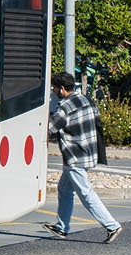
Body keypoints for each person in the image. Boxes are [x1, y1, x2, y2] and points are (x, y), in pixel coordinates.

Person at [42, 71, 122, 242]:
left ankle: (112, 225)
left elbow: (49, 129)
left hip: (74, 156)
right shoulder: (86, 99)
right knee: (64, 189)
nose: (53, 92)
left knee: (85, 193)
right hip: (88, 152)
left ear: (62, 89)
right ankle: (62, 227)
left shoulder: (64, 107)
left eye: (54, 89)